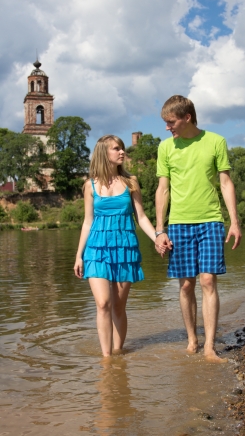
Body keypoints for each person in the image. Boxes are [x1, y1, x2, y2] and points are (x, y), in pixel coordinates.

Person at [155, 95, 242, 363]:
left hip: (210, 220)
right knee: (185, 285)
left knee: (207, 280)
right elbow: (163, 188)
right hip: (179, 223)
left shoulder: (215, 141)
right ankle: (192, 340)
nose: (168, 127)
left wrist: (235, 221)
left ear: (187, 117)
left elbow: (226, 183)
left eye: (171, 122)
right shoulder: (165, 147)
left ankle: (209, 347)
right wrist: (160, 230)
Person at [74, 135, 163, 357]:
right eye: (116, 148)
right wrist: (79, 255)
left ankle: (118, 354)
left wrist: (157, 238)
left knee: (118, 308)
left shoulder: (131, 182)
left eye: (122, 148)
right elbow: (87, 222)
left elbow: (141, 218)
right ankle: (107, 361)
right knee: (103, 303)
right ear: (104, 153)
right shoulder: (89, 185)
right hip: (96, 250)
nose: (122, 152)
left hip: (125, 249)